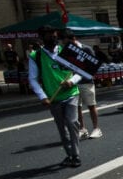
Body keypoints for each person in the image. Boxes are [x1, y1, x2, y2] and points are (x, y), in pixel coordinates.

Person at [29, 25, 82, 167]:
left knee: (72, 122)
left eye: (54, 34)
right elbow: (33, 79)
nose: (53, 37)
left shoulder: (67, 50)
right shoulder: (36, 56)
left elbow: (80, 71)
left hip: (71, 93)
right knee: (62, 128)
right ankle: (69, 154)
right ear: (42, 38)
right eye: (48, 35)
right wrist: (42, 96)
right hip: (53, 97)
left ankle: (76, 155)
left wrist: (72, 81)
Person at [66, 33, 102, 139]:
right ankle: (82, 129)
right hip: (74, 83)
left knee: (91, 105)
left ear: (73, 39)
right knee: (77, 107)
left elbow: (94, 65)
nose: (66, 44)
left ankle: (96, 128)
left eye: (67, 42)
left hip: (86, 81)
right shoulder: (68, 51)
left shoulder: (86, 49)